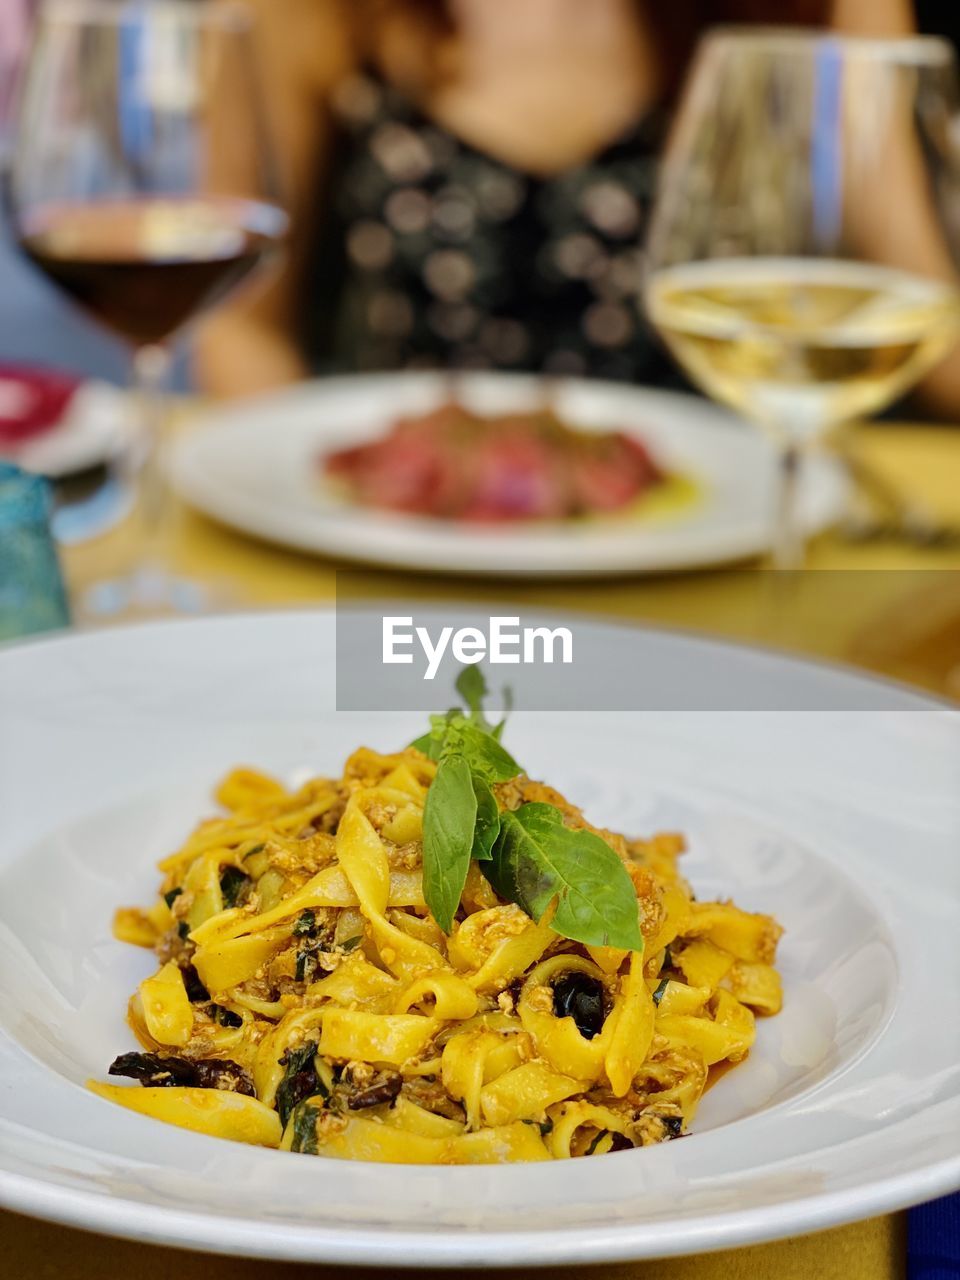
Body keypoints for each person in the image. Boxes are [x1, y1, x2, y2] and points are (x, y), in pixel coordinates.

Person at [198, 0, 920, 398]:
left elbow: (918, 306)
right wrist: (311, 485)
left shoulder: (822, 9)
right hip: (389, 556)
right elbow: (238, 324)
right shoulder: (305, 12)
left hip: (710, 556)